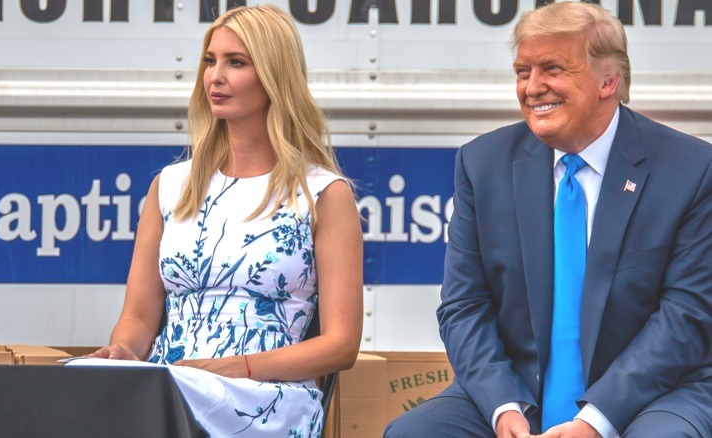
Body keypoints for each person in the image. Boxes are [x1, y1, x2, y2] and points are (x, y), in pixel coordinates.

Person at [385, 2, 712, 437]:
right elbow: (464, 307)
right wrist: (504, 407)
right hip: (518, 393)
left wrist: (595, 420)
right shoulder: (482, 164)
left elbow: (686, 316)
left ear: (608, 80)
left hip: (651, 398)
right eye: (523, 72)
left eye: (552, 69)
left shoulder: (690, 168)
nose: (533, 87)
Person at [87, 5, 363, 436]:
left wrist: (238, 367)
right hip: (173, 387)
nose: (215, 76)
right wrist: (123, 351)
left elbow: (341, 345)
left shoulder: (323, 194)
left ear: (274, 76)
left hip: (266, 396)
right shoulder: (170, 186)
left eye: (236, 63)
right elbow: (139, 318)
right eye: (210, 61)